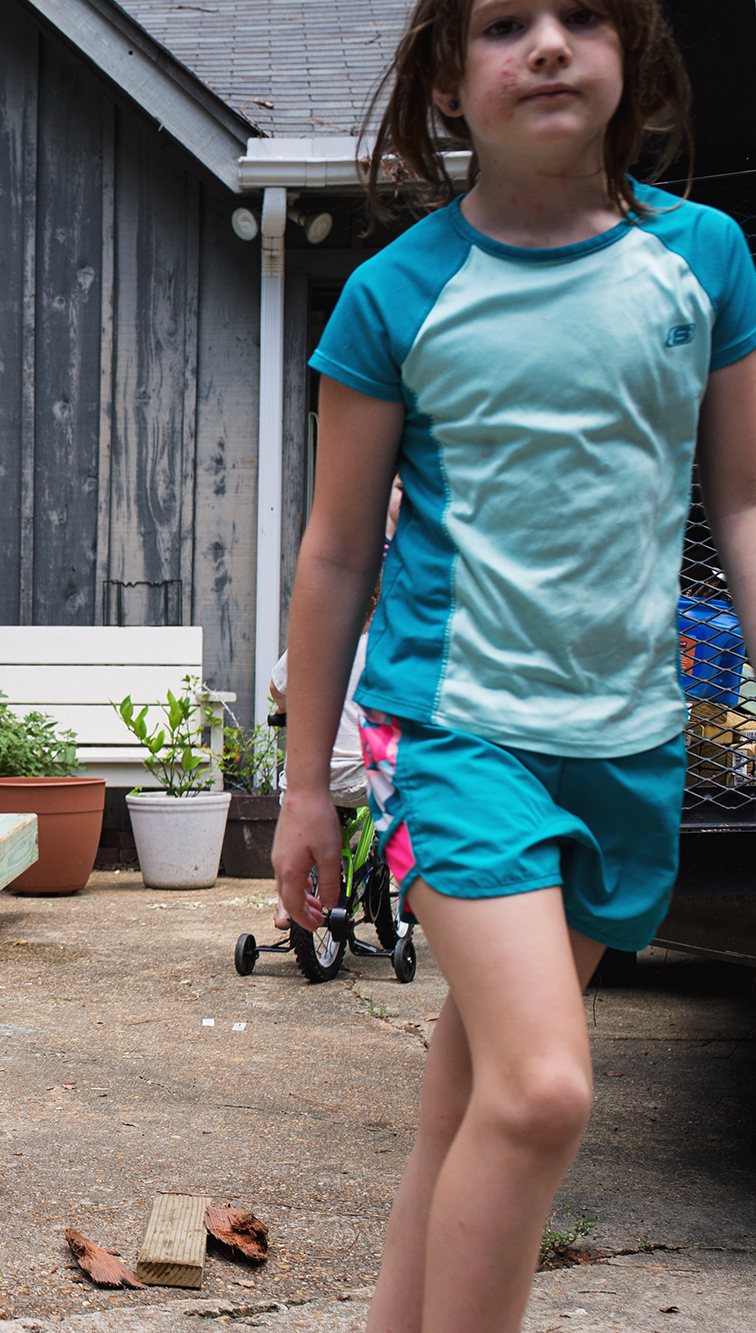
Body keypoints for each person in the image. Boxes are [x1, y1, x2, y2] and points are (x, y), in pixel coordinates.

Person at [271, 3, 756, 1329]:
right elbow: (331, 559)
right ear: (447, 77)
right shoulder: (397, 293)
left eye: (582, 14)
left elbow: (746, 506)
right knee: (543, 1089)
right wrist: (305, 786)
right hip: (458, 730)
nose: (546, 45)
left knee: (472, 1092)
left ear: (632, 55)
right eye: (502, 23)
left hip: (630, 737)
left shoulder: (704, 258)